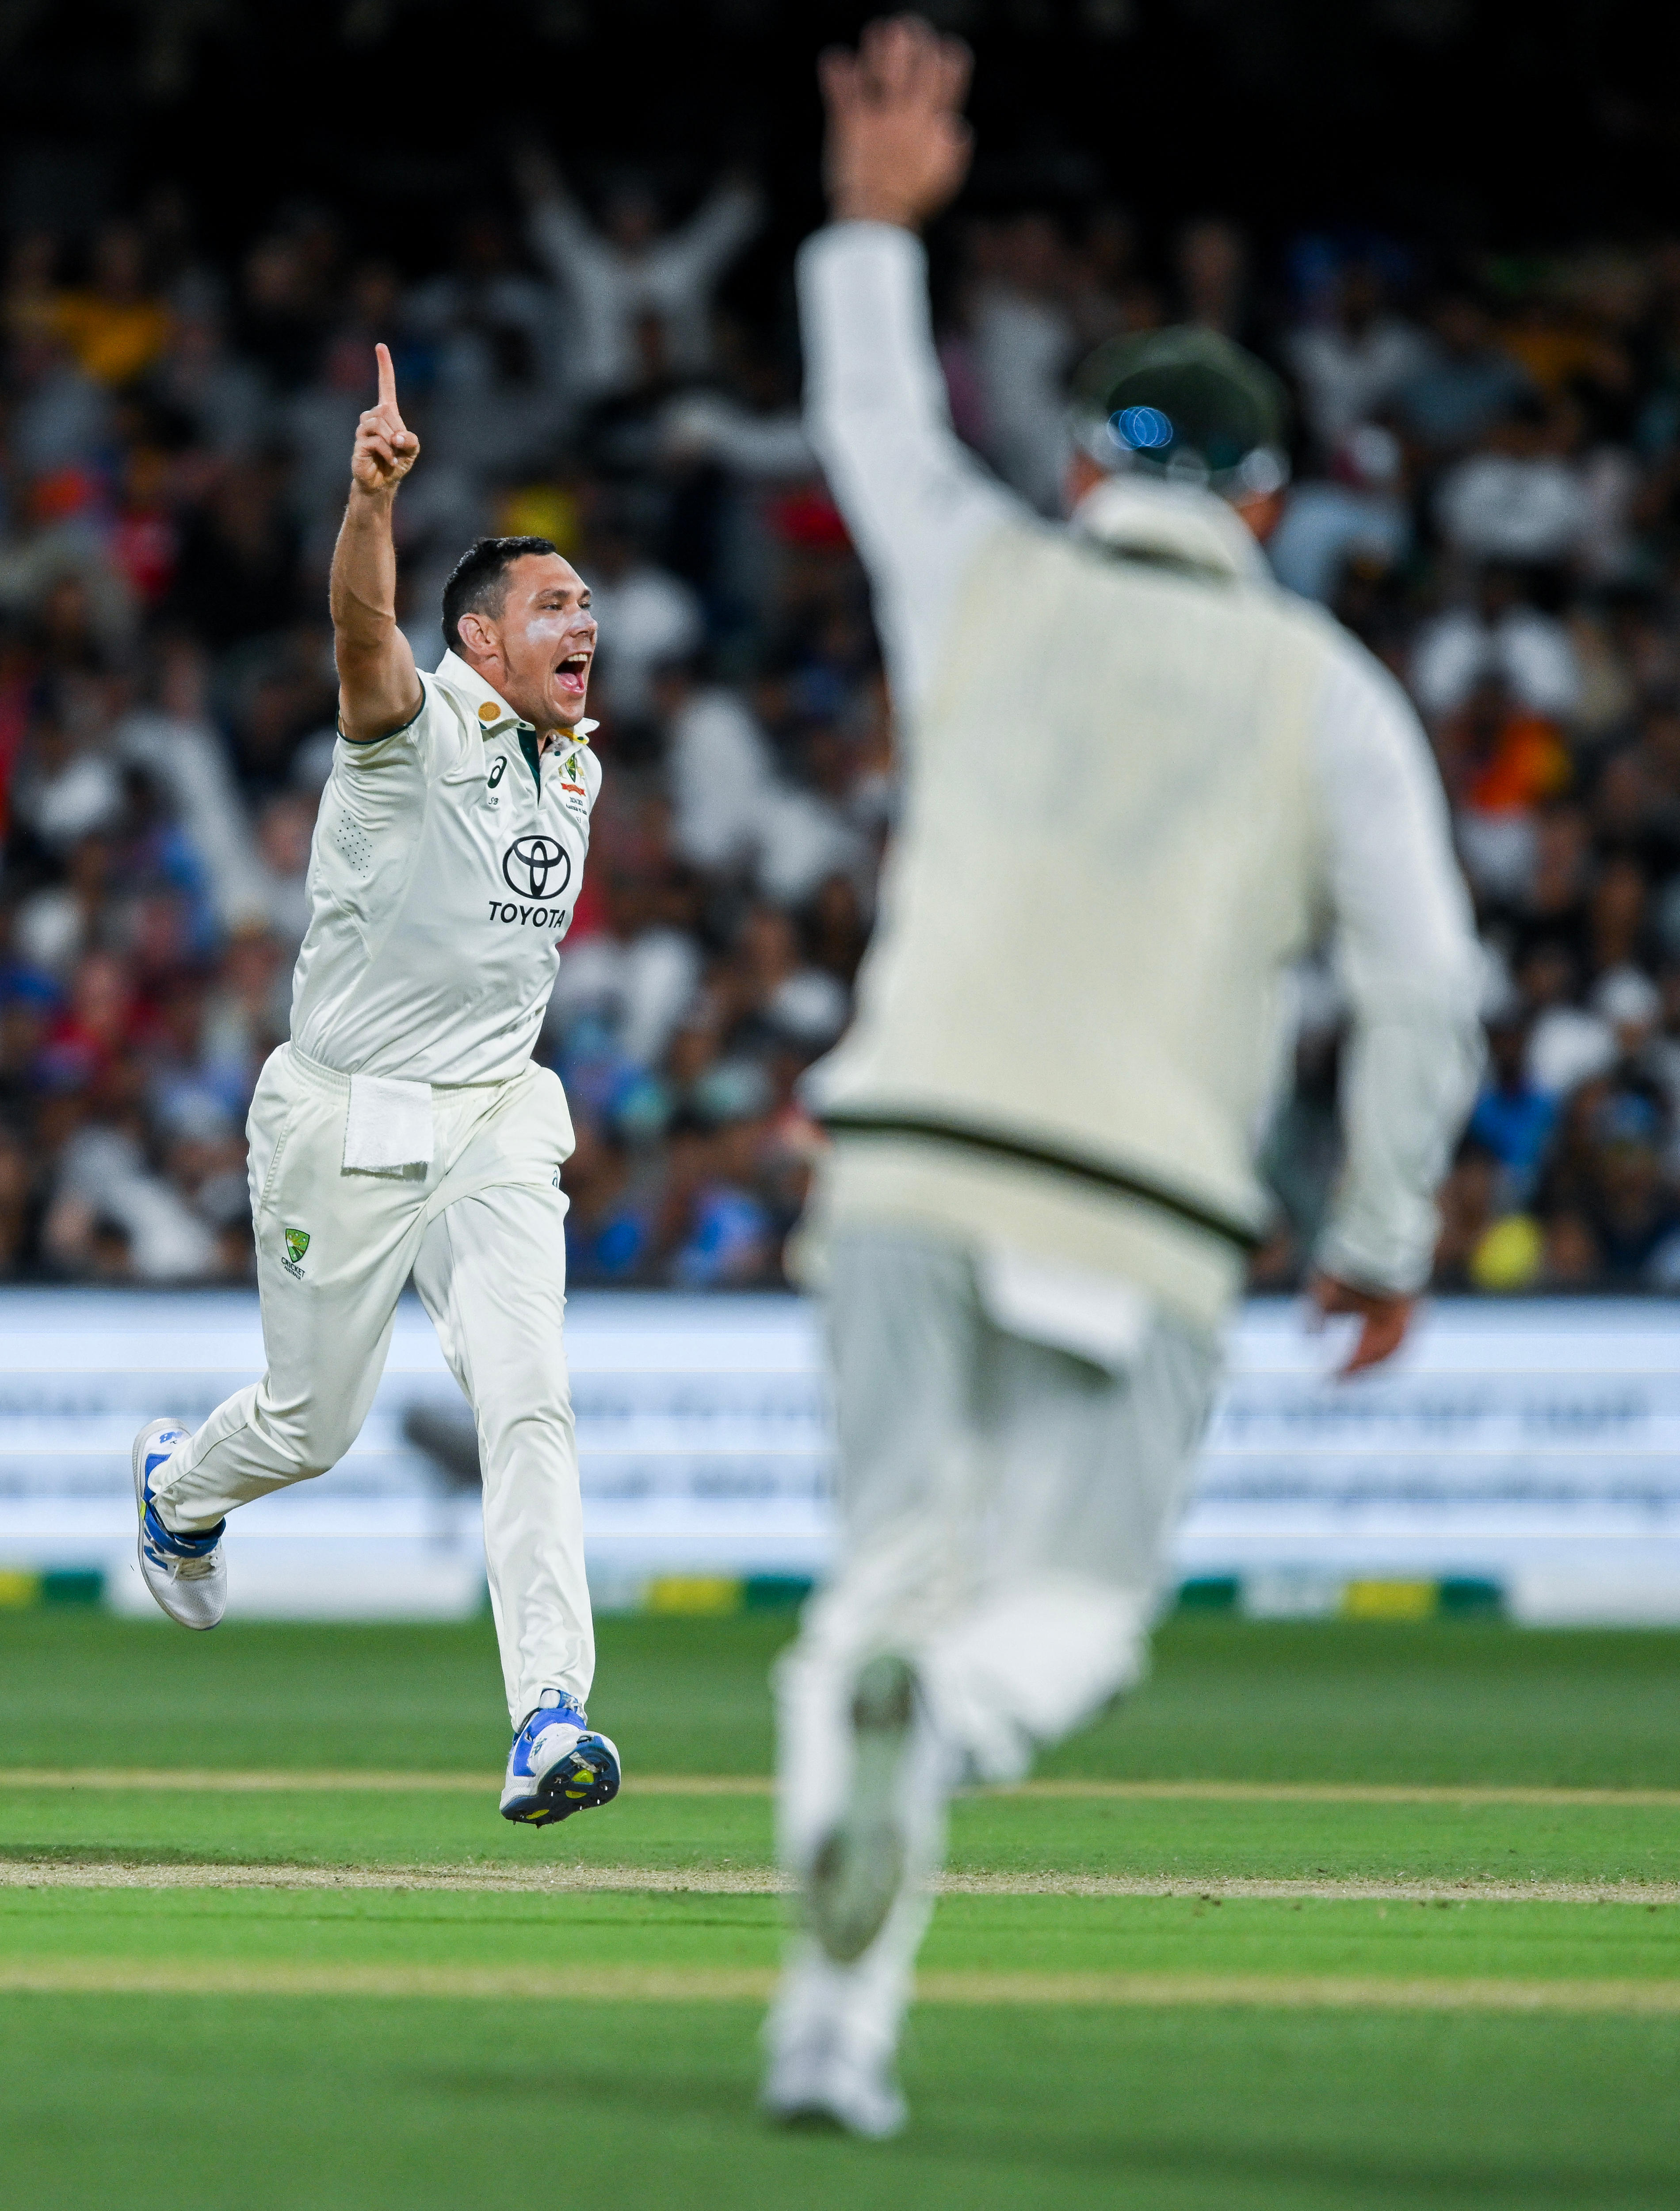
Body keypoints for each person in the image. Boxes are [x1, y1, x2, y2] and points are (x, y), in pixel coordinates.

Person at [761, 16, 1484, 2138]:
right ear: (1265, 502)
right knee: (1058, 1609)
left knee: (874, 1580)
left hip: (898, 1151)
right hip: (1139, 1201)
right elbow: (1423, 985)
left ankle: (829, 2039)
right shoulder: (1327, 691)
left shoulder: (982, 574)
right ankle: (954, 1725)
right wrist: (1374, 1231)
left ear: (1082, 465)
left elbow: (874, 417)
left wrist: (872, 229)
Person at [130, 344, 622, 1832]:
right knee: (314, 1424)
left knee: (529, 1400)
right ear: (479, 642)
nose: (584, 620)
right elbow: (359, 634)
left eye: (588, 604)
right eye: (554, 604)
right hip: (343, 1114)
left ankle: (550, 1715)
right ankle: (180, 1491)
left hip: (491, 1116)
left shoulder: (580, 763)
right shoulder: (413, 735)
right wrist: (367, 503)